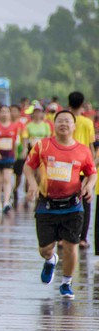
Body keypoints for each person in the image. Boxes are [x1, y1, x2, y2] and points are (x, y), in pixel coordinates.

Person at [24, 110, 96, 299]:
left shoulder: (82, 150)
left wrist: (89, 185)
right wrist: (32, 184)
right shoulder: (43, 145)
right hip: (46, 205)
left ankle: (66, 282)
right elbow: (28, 166)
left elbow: (92, 172)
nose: (63, 124)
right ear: (54, 125)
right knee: (45, 249)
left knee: (71, 246)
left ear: (74, 126)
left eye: (67, 121)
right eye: (60, 121)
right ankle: (50, 260)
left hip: (73, 205)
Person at [68, 91, 96, 249]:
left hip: (67, 167)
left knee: (65, 201)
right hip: (84, 166)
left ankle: (63, 236)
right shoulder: (87, 123)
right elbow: (91, 147)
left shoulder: (66, 121)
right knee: (85, 203)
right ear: (82, 103)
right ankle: (83, 238)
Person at [0, 105, 21, 213]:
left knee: (7, 179)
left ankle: (6, 202)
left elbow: (16, 142)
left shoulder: (14, 127)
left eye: (7, 112)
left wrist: (16, 154)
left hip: (9, 156)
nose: (4, 114)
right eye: (2, 112)